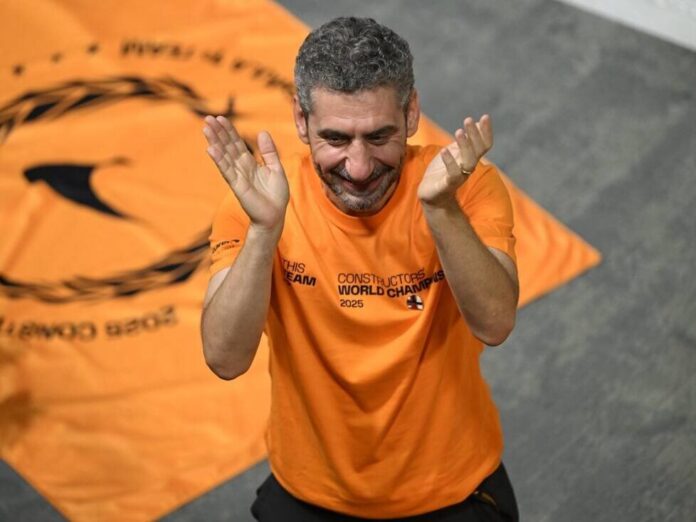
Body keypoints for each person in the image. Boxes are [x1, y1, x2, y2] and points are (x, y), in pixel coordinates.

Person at [201, 16, 520, 522]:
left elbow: (495, 323)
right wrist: (264, 231)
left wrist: (441, 210)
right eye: (335, 138)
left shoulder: (463, 187)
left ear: (411, 113)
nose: (359, 167)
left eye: (378, 136)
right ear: (300, 120)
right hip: (308, 492)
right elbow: (224, 358)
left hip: (451, 490)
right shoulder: (262, 203)